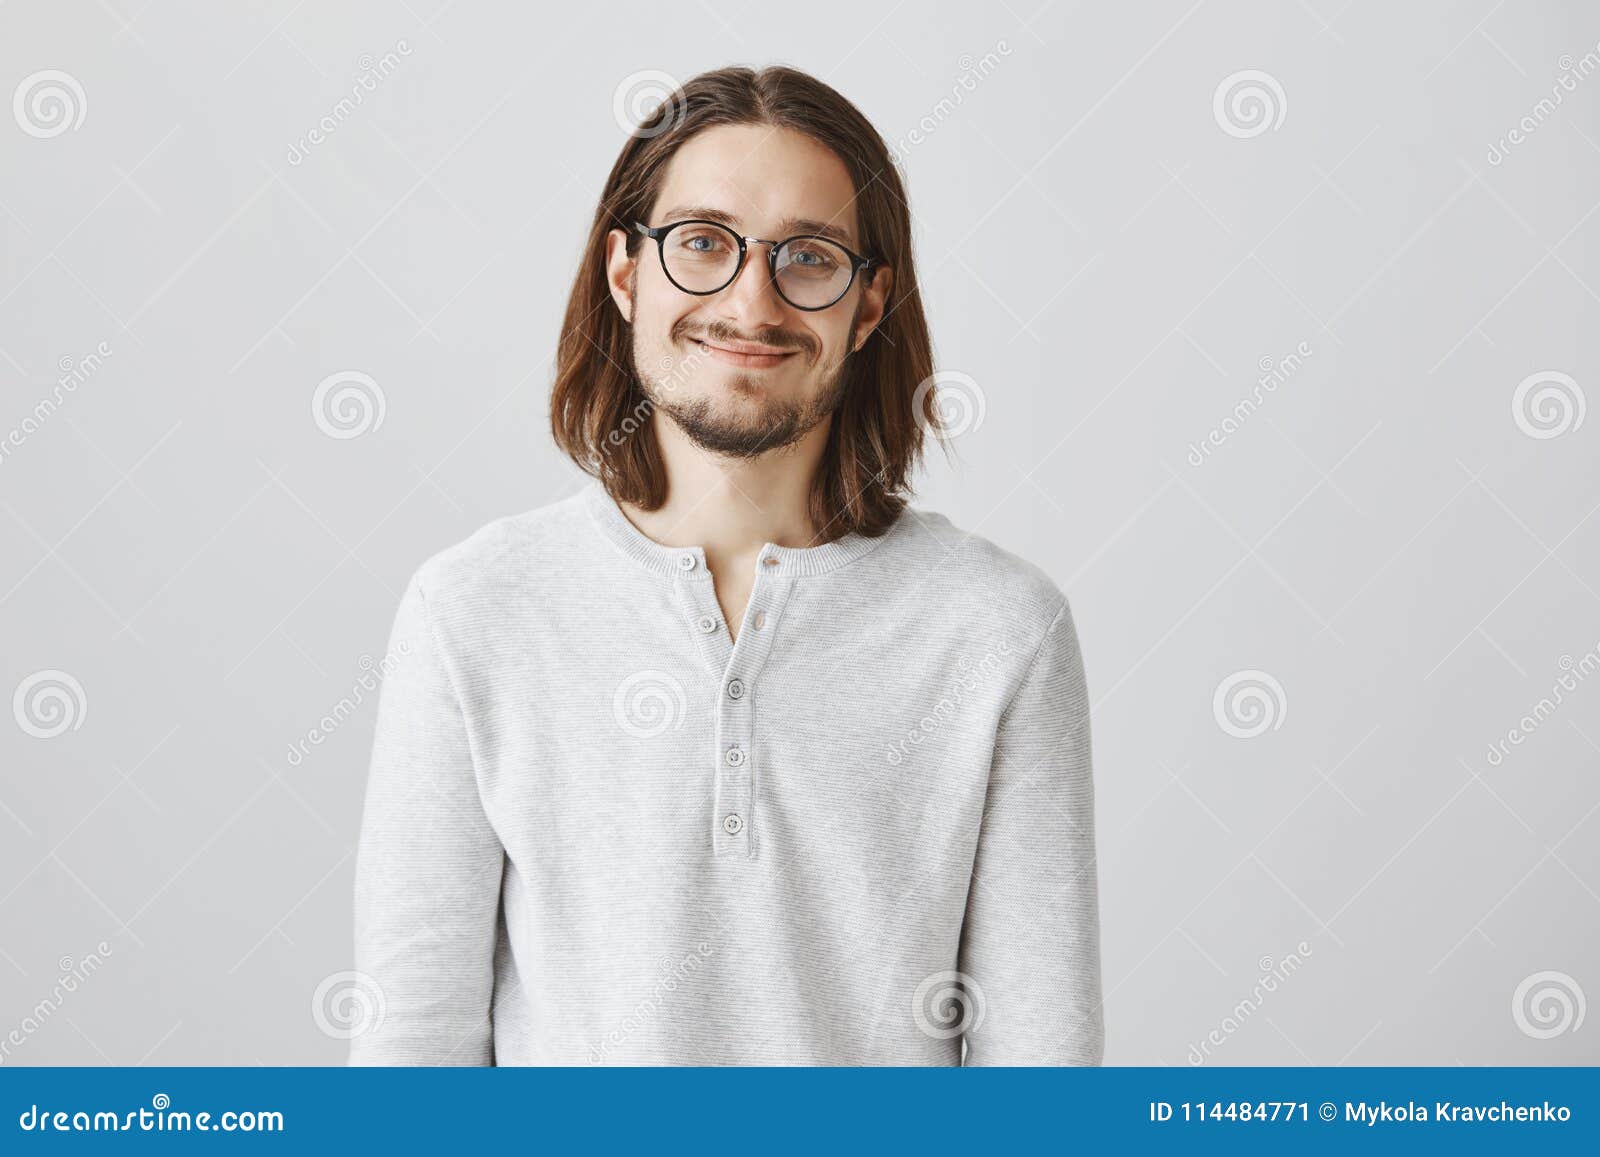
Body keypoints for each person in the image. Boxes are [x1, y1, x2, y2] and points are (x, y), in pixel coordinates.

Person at [350, 64, 1102, 1066]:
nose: (751, 302)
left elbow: (1041, 1072)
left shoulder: (999, 628)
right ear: (626, 273)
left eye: (808, 256)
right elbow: (411, 1056)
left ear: (867, 304)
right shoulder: (475, 609)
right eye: (702, 243)